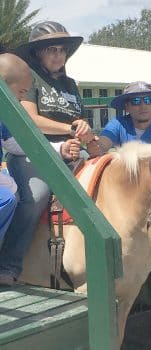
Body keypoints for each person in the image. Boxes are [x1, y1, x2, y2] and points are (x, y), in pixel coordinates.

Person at [0, 21, 92, 286]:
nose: (57, 55)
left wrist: (84, 130)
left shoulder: (70, 84)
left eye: (62, 50)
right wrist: (69, 128)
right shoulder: (27, 79)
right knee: (36, 196)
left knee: (103, 183)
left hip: (71, 148)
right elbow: (29, 120)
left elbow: (78, 119)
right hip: (31, 151)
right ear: (37, 53)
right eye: (50, 49)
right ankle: (9, 264)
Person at [87, 81, 151, 156]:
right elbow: (103, 143)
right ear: (127, 107)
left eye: (148, 100)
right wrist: (96, 147)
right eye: (136, 101)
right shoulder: (119, 124)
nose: (143, 106)